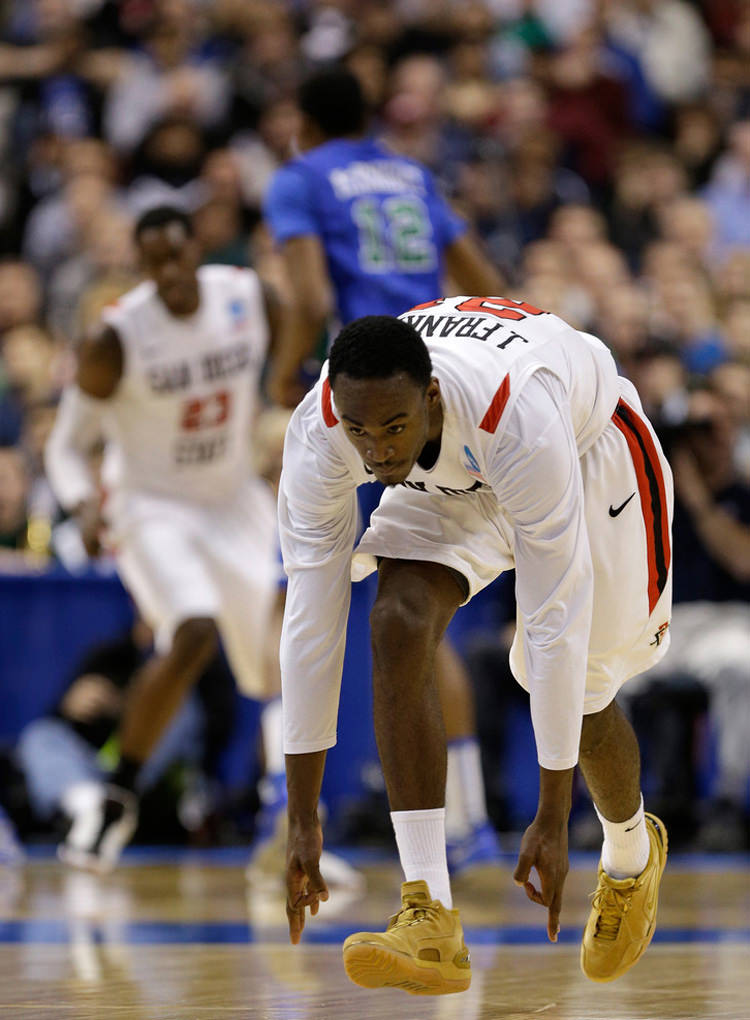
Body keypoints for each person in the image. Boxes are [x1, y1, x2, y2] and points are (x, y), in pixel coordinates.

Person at [278, 295, 672, 995]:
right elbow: (311, 617)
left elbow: (554, 618)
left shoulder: (514, 416)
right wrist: (301, 815)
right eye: (362, 433)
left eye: (394, 427)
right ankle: (428, 910)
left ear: (429, 397)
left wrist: (553, 815)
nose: (378, 452)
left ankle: (630, 853)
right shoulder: (322, 431)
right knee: (395, 620)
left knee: (575, 682)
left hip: (584, 450)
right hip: (455, 473)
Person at [264, 64, 506, 872]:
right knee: (418, 610)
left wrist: (284, 371)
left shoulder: (298, 179)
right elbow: (486, 283)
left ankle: (289, 809)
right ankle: (469, 816)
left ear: (300, 122)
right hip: (438, 367)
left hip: (363, 380)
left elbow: (302, 293)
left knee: (309, 598)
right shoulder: (408, 173)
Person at [44, 205, 284, 870]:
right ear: (141, 266)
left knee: (281, 653)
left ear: (194, 247)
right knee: (194, 631)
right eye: (155, 263)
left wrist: (285, 377)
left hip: (233, 494)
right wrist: (79, 504)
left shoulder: (247, 296)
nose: (170, 272)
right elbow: (66, 447)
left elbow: (290, 326)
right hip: (151, 504)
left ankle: (289, 819)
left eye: (178, 256)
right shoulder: (117, 338)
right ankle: (118, 799)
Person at [17, 617, 235, 862]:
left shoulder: (203, 655)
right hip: (95, 767)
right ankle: (87, 803)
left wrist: (135, 707)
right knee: (40, 735)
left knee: (181, 711)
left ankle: (115, 801)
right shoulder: (110, 653)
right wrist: (69, 706)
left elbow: (216, 730)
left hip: (158, 777)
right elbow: (61, 725)